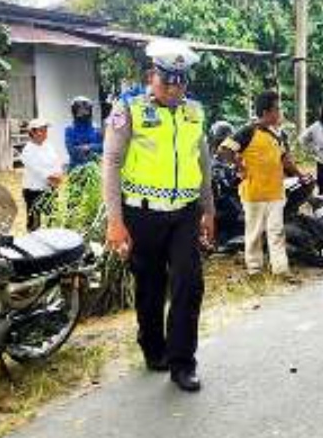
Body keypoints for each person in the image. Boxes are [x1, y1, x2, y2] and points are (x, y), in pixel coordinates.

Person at [102, 39, 216, 393]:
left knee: (189, 284)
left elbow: (203, 163)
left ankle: (183, 363)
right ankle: (153, 348)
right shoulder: (129, 108)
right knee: (150, 286)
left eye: (180, 82)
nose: (173, 89)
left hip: (185, 213)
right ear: (152, 75)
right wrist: (115, 221)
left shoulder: (194, 111)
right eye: (167, 81)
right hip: (142, 213)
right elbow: (111, 162)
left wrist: (209, 209)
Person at [219, 90, 308, 277]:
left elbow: (285, 159)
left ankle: (281, 271)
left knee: (277, 233)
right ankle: (255, 270)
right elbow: (225, 149)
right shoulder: (248, 131)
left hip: (276, 192)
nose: (280, 113)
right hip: (254, 194)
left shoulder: (278, 134)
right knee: (254, 234)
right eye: (277, 109)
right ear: (266, 112)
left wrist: (300, 175)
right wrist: (239, 167)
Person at [19, 118, 63, 232]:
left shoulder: (49, 146)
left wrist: (59, 173)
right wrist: (52, 177)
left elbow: (57, 162)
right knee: (34, 221)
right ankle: (32, 240)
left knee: (52, 217)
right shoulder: (27, 150)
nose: (45, 133)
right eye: (41, 130)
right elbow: (36, 169)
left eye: (45, 130)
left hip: (49, 188)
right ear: (32, 132)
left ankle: (52, 239)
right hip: (33, 190)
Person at [64, 96, 103, 169]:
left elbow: (102, 147)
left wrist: (88, 147)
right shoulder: (70, 129)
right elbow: (71, 150)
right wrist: (90, 148)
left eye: (86, 109)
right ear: (75, 111)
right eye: (80, 109)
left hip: (95, 167)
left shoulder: (96, 128)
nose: (83, 112)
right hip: (76, 168)